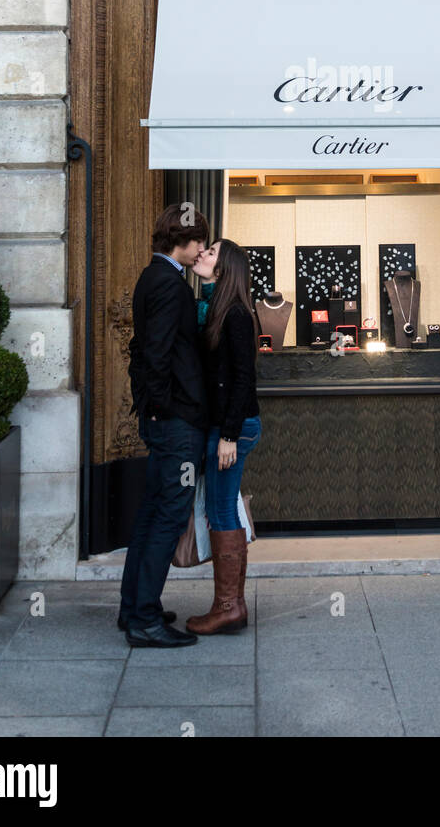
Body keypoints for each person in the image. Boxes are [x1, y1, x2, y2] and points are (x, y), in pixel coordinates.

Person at [118, 204, 210, 648]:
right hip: (175, 423)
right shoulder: (171, 285)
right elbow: (154, 354)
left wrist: (151, 408)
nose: (202, 252)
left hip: (162, 419)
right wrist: (164, 409)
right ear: (184, 241)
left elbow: (143, 351)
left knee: (152, 513)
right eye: (199, 243)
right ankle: (146, 620)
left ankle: (133, 608)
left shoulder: (150, 276)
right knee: (167, 518)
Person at [185, 239, 261, 635]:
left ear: (225, 268)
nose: (201, 255)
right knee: (223, 508)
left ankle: (228, 607)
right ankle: (233, 605)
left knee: (220, 511)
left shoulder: (235, 313)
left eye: (210, 253)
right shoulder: (215, 309)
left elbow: (244, 379)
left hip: (234, 427)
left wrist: (228, 435)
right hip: (225, 425)